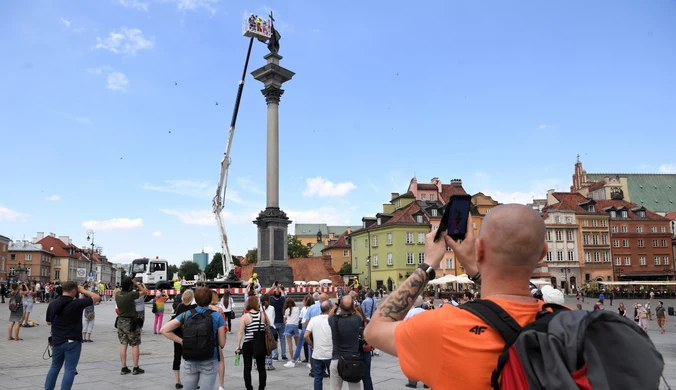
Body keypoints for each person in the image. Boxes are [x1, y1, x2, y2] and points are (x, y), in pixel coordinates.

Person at [365, 204, 550, 389]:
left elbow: (374, 331)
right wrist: (474, 268)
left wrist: (428, 264)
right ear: (543, 252)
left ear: (480, 249)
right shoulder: (569, 323)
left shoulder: (445, 326)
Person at [161, 287, 226, 390]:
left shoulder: (187, 314)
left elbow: (164, 330)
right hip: (210, 358)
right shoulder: (217, 316)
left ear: (195, 299)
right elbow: (222, 343)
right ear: (210, 300)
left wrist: (182, 341)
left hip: (190, 359)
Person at [44, 281, 101, 390]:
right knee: (69, 369)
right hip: (72, 341)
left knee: (54, 367)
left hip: (57, 341)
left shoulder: (52, 303)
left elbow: (48, 322)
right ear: (74, 290)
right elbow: (96, 297)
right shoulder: (77, 303)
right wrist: (83, 290)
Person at [235, 294, 270, 390]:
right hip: (260, 343)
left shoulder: (245, 317)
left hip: (248, 343)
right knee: (261, 368)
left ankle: (249, 388)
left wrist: (238, 346)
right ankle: (261, 387)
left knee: (247, 367)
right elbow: (268, 325)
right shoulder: (262, 315)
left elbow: (240, 332)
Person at [328, 295, 362, 390]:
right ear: (352, 307)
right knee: (355, 388)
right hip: (353, 359)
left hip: (337, 358)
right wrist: (354, 308)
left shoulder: (333, 320)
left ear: (340, 306)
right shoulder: (356, 319)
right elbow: (361, 318)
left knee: (335, 388)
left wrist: (335, 306)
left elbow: (329, 316)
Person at [114, 278, 147, 375]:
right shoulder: (130, 295)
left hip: (120, 321)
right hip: (131, 322)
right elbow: (144, 291)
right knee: (134, 344)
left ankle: (124, 367)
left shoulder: (118, 295)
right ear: (130, 286)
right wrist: (135, 283)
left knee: (123, 344)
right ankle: (135, 367)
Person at [305, 300, 334, 390]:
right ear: (330, 309)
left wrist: (311, 344)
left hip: (317, 353)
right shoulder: (333, 319)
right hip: (330, 353)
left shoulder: (314, 320)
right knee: (333, 379)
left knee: (318, 378)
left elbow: (306, 335)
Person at [170, 289, 196, 389]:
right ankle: (192, 380)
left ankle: (178, 381)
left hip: (177, 335)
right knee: (191, 358)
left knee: (177, 357)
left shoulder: (179, 307)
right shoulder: (194, 308)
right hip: (189, 335)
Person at [269, 285, 287, 360]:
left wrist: (272, 287)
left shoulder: (271, 300)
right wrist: (279, 288)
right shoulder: (282, 300)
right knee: (282, 339)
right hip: (281, 321)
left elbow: (265, 295)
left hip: (273, 322)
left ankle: (275, 355)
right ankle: (283, 354)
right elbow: (283, 294)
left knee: (274, 339)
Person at [283, 298, 301, 363]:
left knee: (290, 344)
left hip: (288, 326)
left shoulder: (286, 310)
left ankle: (292, 359)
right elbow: (299, 317)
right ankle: (299, 358)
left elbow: (284, 320)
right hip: (295, 326)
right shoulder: (297, 309)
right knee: (297, 343)